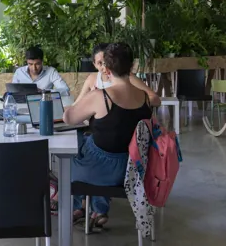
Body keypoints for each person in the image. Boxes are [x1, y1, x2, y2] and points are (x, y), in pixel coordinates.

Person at [62, 43, 154, 228]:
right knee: (89, 142)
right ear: (132, 67)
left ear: (107, 69)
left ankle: (73, 207)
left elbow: (68, 118)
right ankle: (91, 208)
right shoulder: (144, 97)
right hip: (132, 170)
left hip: (100, 171)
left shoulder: (102, 96)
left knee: (63, 163)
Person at [76, 43, 160, 104]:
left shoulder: (126, 77)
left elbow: (155, 99)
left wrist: (131, 100)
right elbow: (77, 104)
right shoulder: (92, 79)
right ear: (94, 64)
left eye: (106, 62)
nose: (105, 67)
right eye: (100, 63)